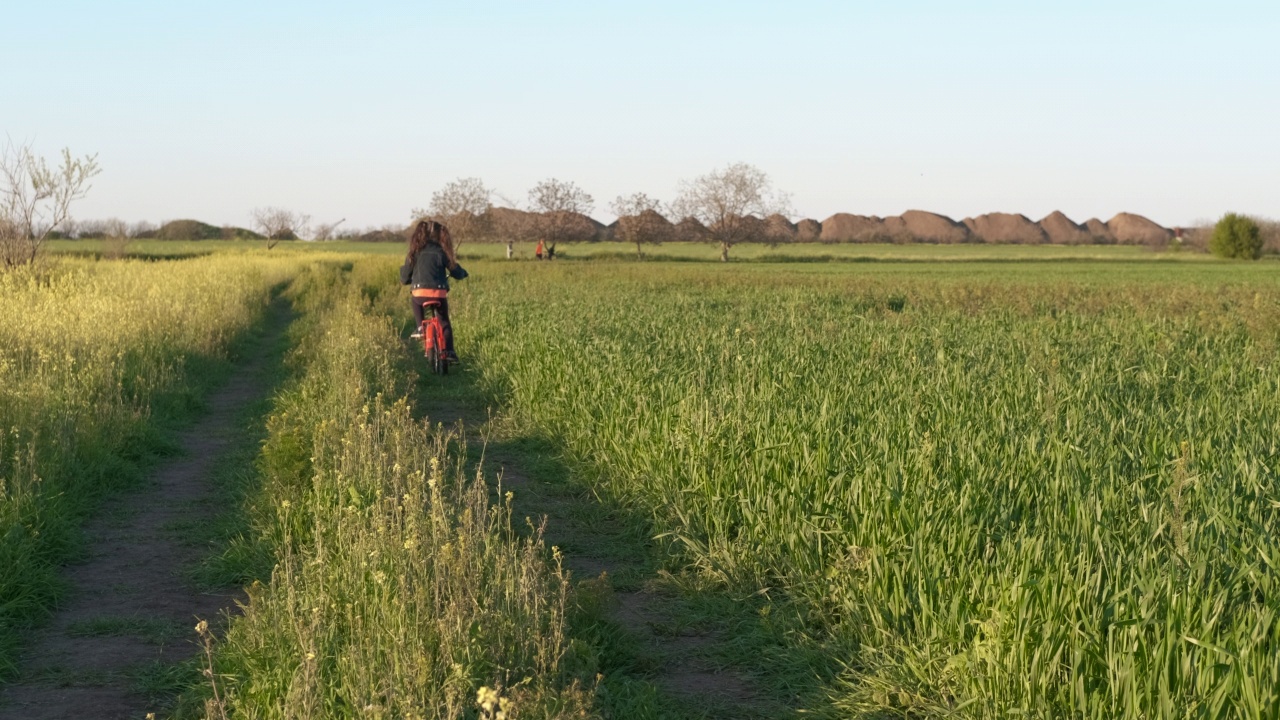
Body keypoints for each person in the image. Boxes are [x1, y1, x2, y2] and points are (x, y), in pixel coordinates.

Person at [400, 220, 467, 361]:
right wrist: (462, 274)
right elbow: (455, 270)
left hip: (419, 292)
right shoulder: (442, 252)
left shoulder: (414, 252)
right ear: (441, 235)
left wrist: (406, 280)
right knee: (444, 321)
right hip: (438, 293)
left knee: (416, 300)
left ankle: (420, 327)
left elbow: (405, 276)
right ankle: (449, 352)